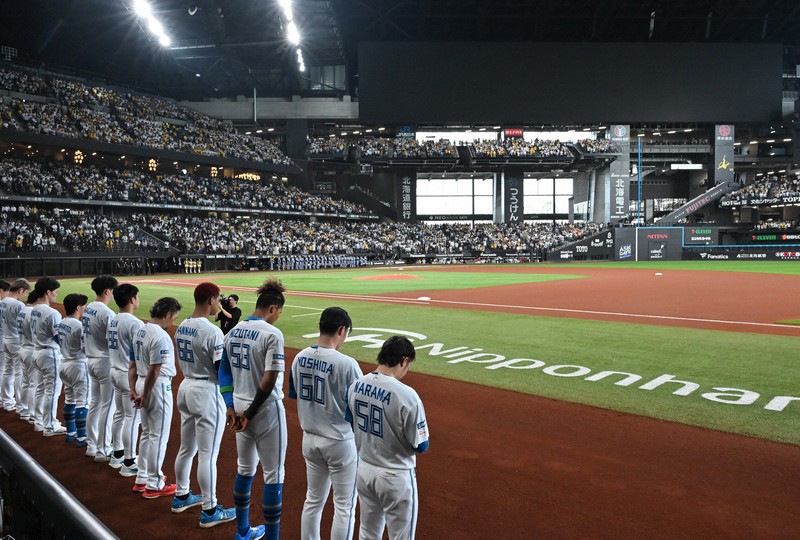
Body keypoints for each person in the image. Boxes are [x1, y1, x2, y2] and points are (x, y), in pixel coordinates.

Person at [219, 278, 288, 540]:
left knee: (245, 468)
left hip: (237, 405)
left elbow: (224, 369)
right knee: (273, 473)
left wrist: (230, 406)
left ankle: (243, 531)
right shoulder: (272, 334)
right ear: (272, 308)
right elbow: (269, 379)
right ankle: (271, 537)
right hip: (265, 408)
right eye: (279, 312)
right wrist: (250, 413)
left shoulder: (234, 330)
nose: (278, 317)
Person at [289, 307, 362, 540]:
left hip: (309, 439)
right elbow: (358, 409)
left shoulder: (300, 357)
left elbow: (294, 393)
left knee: (313, 499)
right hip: (339, 441)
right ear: (341, 330)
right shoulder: (347, 364)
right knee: (344, 505)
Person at [347, 336, 430, 540]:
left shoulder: (356, 385)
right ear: (403, 360)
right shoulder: (407, 395)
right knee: (401, 536)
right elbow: (421, 445)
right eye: (408, 365)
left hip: (364, 471)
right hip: (396, 476)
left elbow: (351, 421)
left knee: (368, 531)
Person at [172, 282, 236, 528]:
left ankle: (182, 495)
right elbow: (220, 369)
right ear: (211, 300)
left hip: (186, 386)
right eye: (218, 300)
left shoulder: (183, 325)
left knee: (186, 447)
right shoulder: (212, 331)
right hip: (206, 391)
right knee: (208, 454)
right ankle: (209, 510)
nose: (219, 304)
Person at [129, 297, 181, 499]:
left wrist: (133, 389)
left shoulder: (140, 330)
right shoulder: (161, 336)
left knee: (147, 433)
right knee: (158, 436)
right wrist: (146, 394)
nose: (173, 321)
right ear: (167, 314)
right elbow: (155, 369)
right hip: (156, 387)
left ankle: (141, 479)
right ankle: (154, 484)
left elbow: (132, 364)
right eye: (173, 317)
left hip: (142, 382)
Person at [107, 283, 144, 478]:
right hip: (126, 374)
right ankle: (129, 461)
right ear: (132, 299)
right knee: (132, 418)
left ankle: (117, 454)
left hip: (114, 370)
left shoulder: (113, 319)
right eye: (136, 297)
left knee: (120, 414)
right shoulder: (134, 323)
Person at [83, 275, 119, 462]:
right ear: (107, 291)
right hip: (104, 361)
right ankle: (102, 449)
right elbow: (112, 342)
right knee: (107, 405)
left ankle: (92, 445)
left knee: (95, 403)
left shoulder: (89, 307)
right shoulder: (107, 313)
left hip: (90, 359)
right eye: (113, 290)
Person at [31, 277, 66, 436]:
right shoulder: (52, 313)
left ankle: (39, 421)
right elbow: (59, 338)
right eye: (55, 292)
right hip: (49, 353)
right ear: (47, 292)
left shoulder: (35, 309)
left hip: (37, 351)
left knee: (40, 389)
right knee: (52, 391)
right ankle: (50, 425)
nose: (56, 295)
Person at [57, 293, 89, 443]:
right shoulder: (78, 325)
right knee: (82, 401)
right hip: (77, 364)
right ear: (78, 307)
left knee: (70, 399)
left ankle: (70, 432)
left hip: (64, 363)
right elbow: (85, 348)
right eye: (84, 306)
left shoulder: (62, 322)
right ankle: (82, 436)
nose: (85, 308)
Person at [0, 279, 31, 413]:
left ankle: (6, 401)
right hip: (16, 341)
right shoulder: (18, 304)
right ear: (21, 290)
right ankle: (20, 404)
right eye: (24, 293)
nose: (24, 295)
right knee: (19, 373)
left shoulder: (3, 301)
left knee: (8, 370)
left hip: (5, 339)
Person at [17, 292, 38, 423]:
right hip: (31, 350)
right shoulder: (32, 313)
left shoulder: (22, 310)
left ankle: (24, 410)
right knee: (33, 383)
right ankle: (31, 413)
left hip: (23, 348)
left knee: (25, 381)